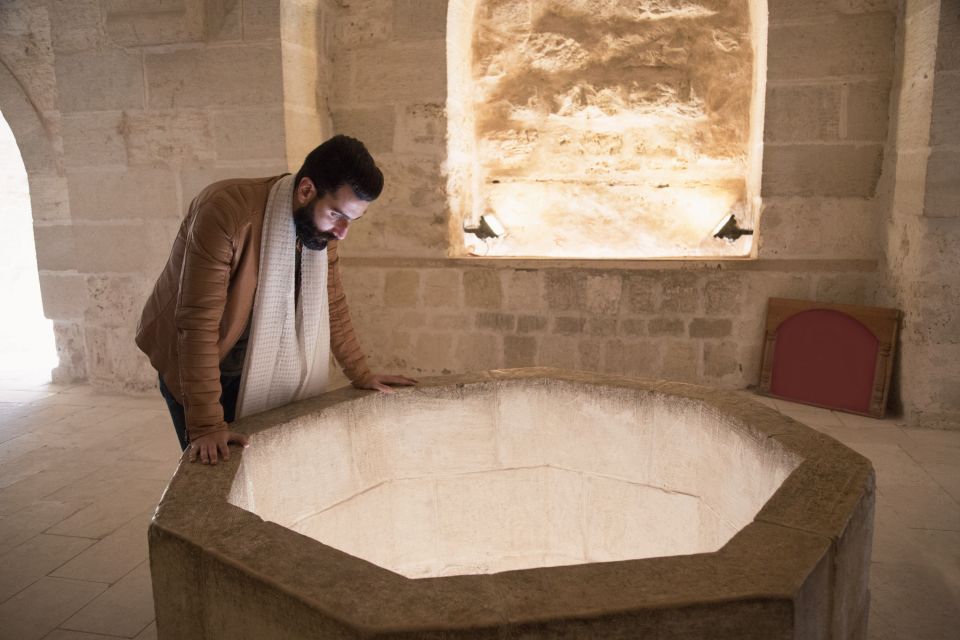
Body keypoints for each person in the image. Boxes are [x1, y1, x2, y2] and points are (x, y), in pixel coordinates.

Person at [136, 135, 416, 465]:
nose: (342, 232)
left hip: (254, 363)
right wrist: (207, 425)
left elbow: (333, 302)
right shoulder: (224, 211)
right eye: (337, 215)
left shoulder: (322, 228)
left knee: (264, 467)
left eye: (352, 220)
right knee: (214, 475)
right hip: (193, 362)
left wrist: (362, 374)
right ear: (306, 190)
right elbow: (196, 324)